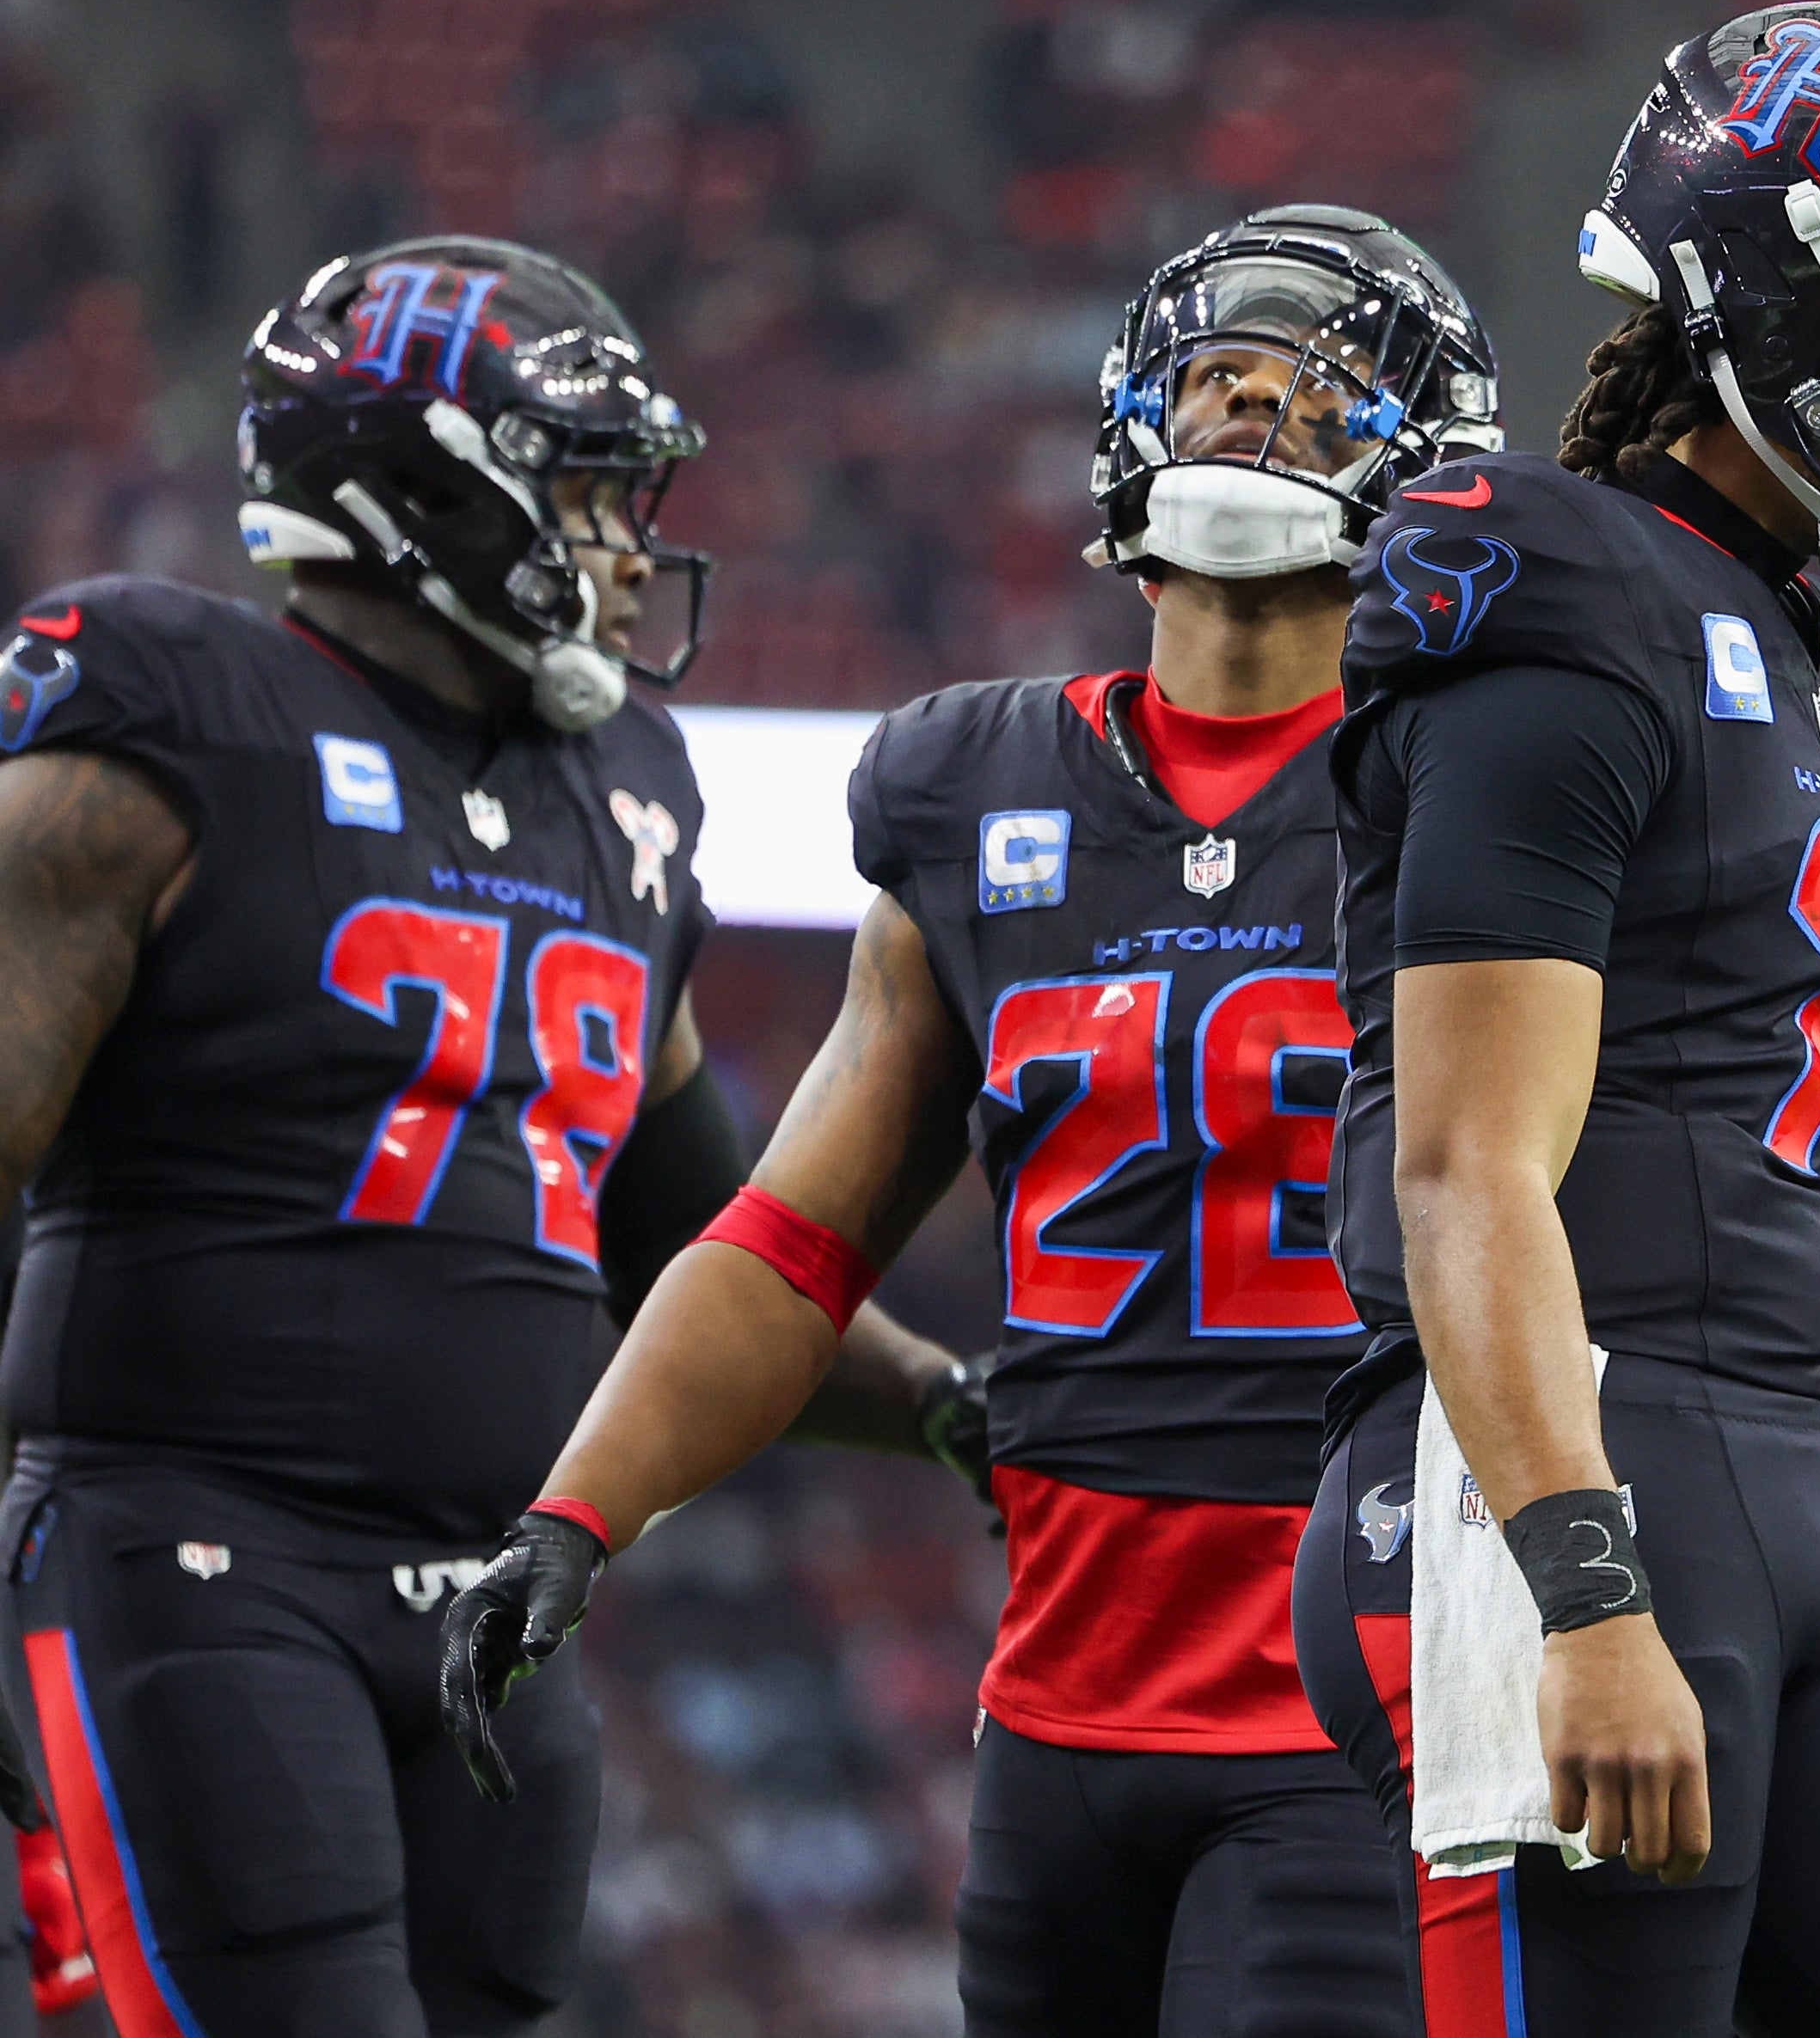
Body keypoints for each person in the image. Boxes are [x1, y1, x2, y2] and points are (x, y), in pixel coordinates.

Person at [439, 205, 1504, 2037]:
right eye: (1222, 378)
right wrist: (576, 1510)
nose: (1254, 415)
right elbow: (786, 1240)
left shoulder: (1481, 786)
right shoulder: (974, 782)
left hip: (1363, 1692)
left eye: (1314, 400)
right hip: (1056, 1712)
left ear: (1419, 467)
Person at [0, 236, 977, 2037]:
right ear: (425, 487)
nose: (622, 546)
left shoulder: (624, 796)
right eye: (588, 490)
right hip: (199, 1554)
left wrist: (940, 1395)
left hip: (495, 1587)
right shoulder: (168, 714)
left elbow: (703, 1238)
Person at [1286, 4, 1820, 2038]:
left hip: (1776, 1482)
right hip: (1567, 1463)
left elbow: (1794, 1162)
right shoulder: (1558, 588)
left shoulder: (1811, 650)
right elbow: (1466, 1162)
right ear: (1775, 289)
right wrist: (1581, 1594)